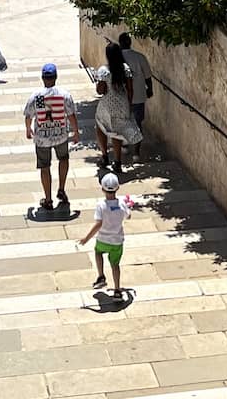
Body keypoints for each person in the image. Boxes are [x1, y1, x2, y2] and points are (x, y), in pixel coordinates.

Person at [23, 63, 79, 211]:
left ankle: (48, 199)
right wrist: (76, 132)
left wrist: (28, 129)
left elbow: (29, 116)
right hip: (61, 135)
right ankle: (61, 189)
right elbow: (71, 115)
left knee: (44, 166)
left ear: (43, 78)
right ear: (56, 77)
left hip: (42, 138)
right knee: (63, 159)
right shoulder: (64, 95)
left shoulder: (37, 96)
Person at [78, 173, 132, 297]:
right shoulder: (122, 204)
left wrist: (86, 238)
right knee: (115, 265)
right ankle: (117, 290)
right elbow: (128, 216)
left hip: (103, 239)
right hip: (117, 241)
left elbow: (98, 224)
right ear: (118, 188)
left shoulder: (101, 205)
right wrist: (128, 207)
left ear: (102, 189)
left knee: (98, 253)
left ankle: (101, 276)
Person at [95, 43, 142, 172]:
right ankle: (117, 161)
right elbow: (130, 89)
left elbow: (100, 90)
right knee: (117, 131)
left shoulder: (104, 71)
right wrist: (129, 104)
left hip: (107, 105)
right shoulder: (125, 69)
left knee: (100, 127)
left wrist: (98, 82)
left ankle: (105, 156)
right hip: (123, 104)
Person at [117, 32, 153, 149]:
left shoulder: (116, 58)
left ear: (120, 43)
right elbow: (148, 76)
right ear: (130, 43)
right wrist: (150, 90)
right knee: (137, 123)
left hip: (122, 97)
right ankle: (136, 152)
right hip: (139, 95)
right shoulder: (140, 57)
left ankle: (125, 145)